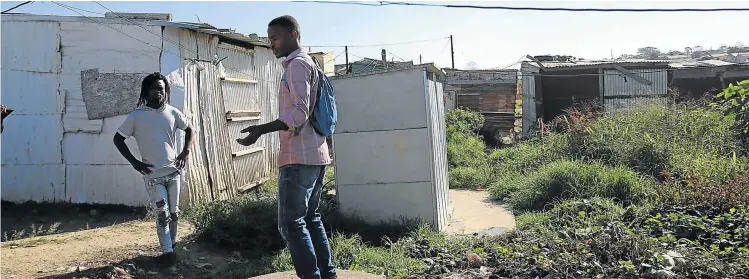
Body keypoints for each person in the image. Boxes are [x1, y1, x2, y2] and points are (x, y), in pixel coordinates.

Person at [236, 15, 337, 279]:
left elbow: (300, 112)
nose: (272, 44)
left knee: (291, 223)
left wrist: (261, 129)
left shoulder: (297, 65)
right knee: (310, 218)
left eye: (275, 38)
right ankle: (328, 274)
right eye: (270, 39)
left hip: (299, 156)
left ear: (293, 35)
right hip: (316, 153)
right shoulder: (310, 63)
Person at [112, 72, 194, 272]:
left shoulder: (173, 113)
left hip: (174, 173)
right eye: (154, 88)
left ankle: (171, 246)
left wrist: (185, 151)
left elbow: (190, 129)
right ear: (146, 91)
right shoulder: (136, 116)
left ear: (166, 92)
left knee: (174, 214)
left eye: (162, 89)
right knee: (162, 214)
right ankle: (167, 253)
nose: (158, 92)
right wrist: (135, 162)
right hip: (153, 177)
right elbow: (118, 139)